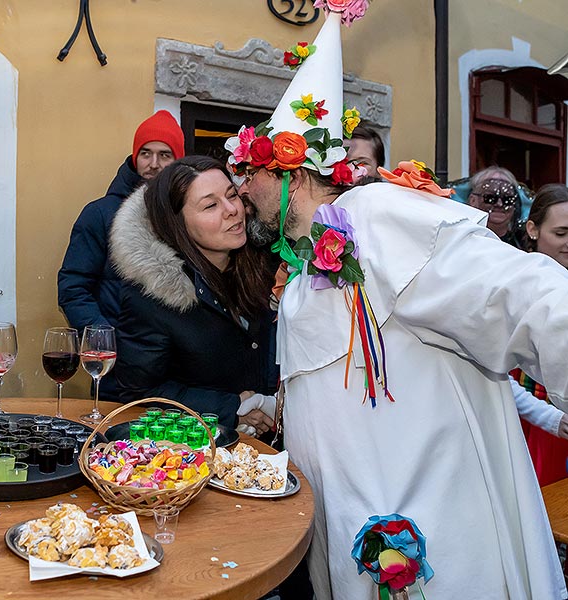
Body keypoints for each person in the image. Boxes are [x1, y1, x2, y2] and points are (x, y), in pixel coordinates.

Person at [229, 5, 567, 598]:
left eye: (247, 171)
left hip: (427, 526)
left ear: (292, 174)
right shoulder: (306, 263)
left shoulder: (379, 216)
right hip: (348, 528)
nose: (239, 188)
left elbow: (519, 292)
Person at [109, 156, 278, 435]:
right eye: (210, 205)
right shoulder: (152, 296)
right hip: (193, 451)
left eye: (231, 195)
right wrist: (231, 406)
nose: (231, 210)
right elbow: (139, 393)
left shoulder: (262, 263)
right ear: (178, 224)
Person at [58, 110, 184, 399]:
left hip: (179, 375)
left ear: (179, 161)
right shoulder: (100, 214)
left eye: (165, 155)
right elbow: (73, 287)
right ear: (134, 157)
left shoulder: (191, 216)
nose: (154, 164)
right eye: (145, 153)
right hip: (119, 373)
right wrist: (105, 339)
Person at [510, 183, 568, 486]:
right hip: (533, 423)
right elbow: (486, 366)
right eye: (561, 234)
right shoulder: (512, 283)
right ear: (532, 229)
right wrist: (546, 417)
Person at [466, 165, 524, 248]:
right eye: (490, 198)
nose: (499, 204)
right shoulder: (462, 240)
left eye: (507, 199)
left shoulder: (524, 243)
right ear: (473, 200)